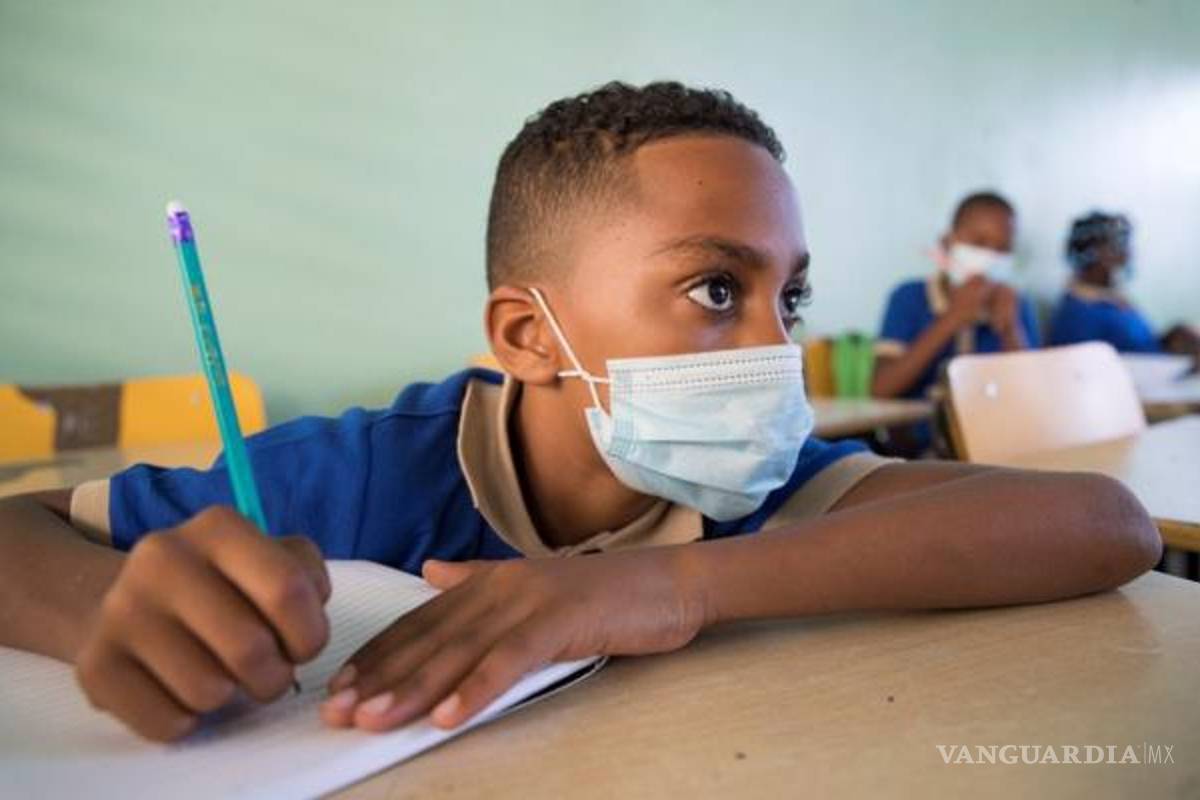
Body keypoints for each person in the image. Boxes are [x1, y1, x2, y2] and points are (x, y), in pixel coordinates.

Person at [0, 82, 1159, 743]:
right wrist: (101, 606)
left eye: (790, 296)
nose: (776, 345)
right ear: (527, 335)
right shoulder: (361, 476)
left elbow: (1106, 524)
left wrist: (666, 585)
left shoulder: (760, 487)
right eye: (718, 289)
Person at [1048, 211, 1200, 359]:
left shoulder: (1114, 301)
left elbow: (1142, 347)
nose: (1125, 252)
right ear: (1093, 252)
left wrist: (1171, 339)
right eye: (1115, 243)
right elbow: (1081, 366)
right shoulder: (1079, 313)